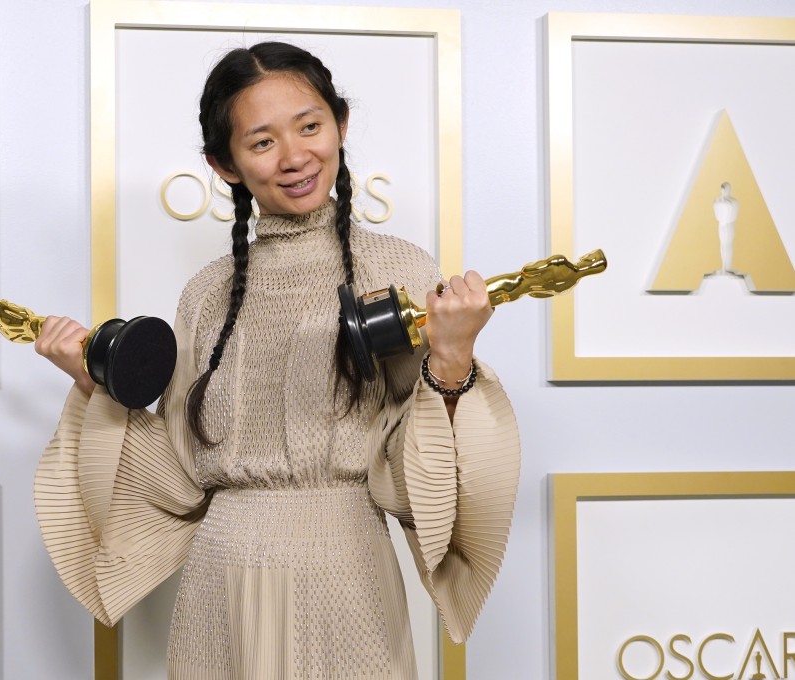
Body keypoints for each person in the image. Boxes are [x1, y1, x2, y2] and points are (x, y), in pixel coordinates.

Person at [33, 42, 520, 679]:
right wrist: (93, 381)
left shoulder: (399, 270)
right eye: (261, 142)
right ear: (224, 163)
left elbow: (421, 464)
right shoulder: (207, 294)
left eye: (310, 126)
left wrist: (453, 356)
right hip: (222, 582)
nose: (295, 157)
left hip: (347, 568)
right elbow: (179, 471)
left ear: (341, 124)